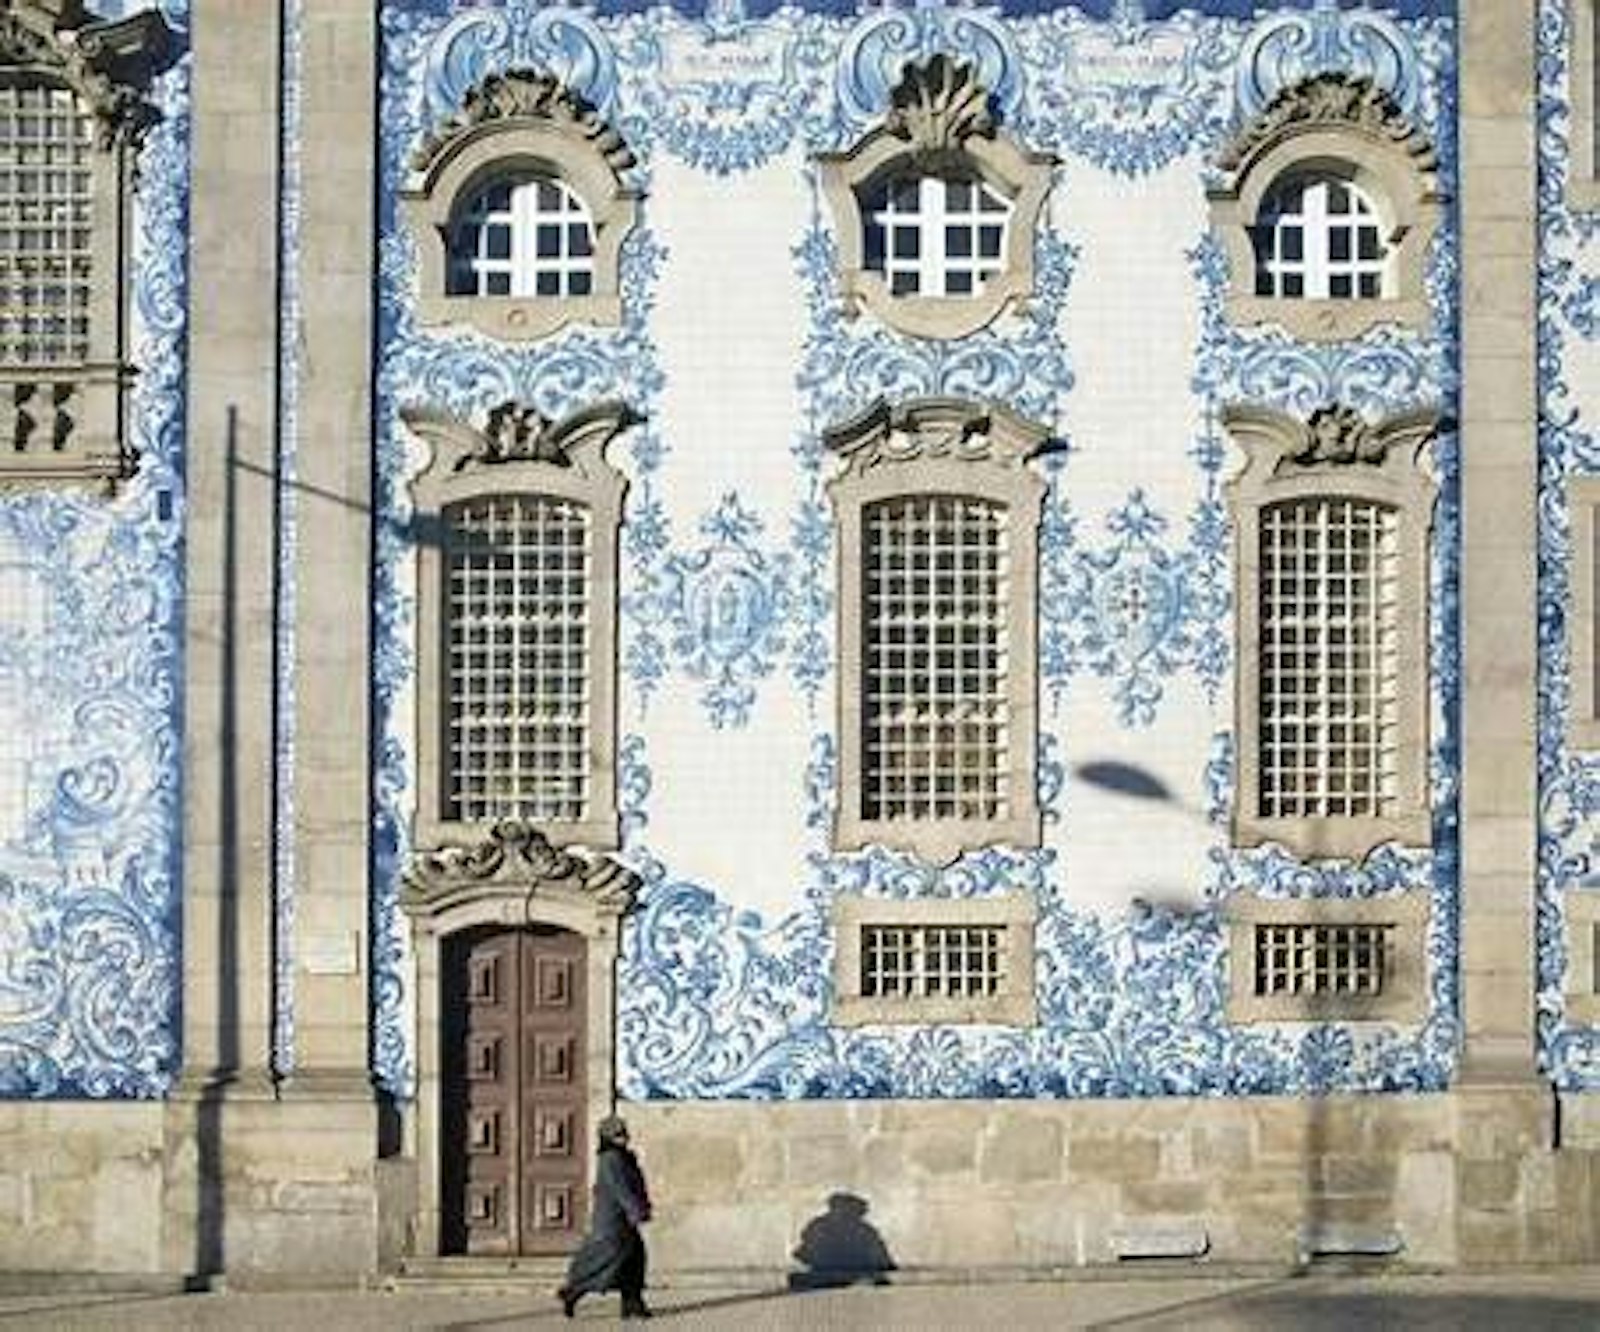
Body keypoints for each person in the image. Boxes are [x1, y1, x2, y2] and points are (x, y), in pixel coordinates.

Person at [557, 1114, 653, 1319]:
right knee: (605, 1260)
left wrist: (639, 1208)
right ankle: (573, 1292)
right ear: (608, 1137)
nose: (624, 1138)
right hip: (613, 1222)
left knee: (634, 1260)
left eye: (624, 1133)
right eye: (618, 1134)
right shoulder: (611, 1159)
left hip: (624, 1220)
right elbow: (621, 1190)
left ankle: (633, 1304)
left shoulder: (623, 1156)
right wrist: (637, 1212)